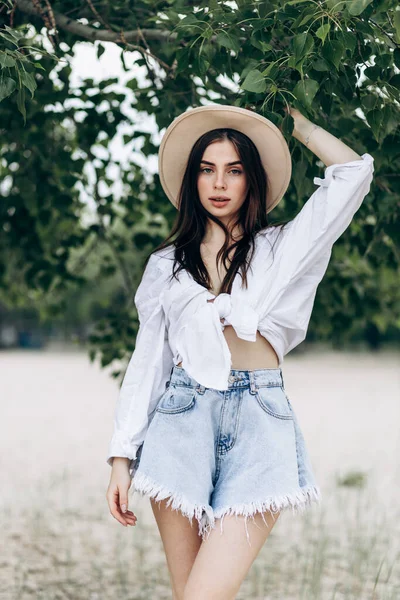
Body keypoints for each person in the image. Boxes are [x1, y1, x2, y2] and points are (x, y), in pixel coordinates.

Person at [105, 104, 374, 599]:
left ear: (252, 180)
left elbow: (354, 174)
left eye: (234, 170)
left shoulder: (282, 248)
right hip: (181, 417)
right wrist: (122, 456)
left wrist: (297, 124)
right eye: (207, 169)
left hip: (260, 421)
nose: (219, 183)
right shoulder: (166, 266)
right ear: (193, 180)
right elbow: (148, 364)